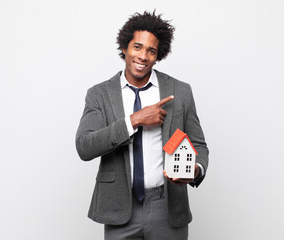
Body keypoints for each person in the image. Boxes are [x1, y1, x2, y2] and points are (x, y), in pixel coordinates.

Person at [75, 11, 209, 240]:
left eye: (151, 50)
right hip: (119, 207)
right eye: (137, 47)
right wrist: (134, 120)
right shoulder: (99, 94)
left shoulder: (180, 91)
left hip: (166, 205)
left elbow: (198, 145)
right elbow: (85, 146)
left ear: (159, 56)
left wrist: (194, 170)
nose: (143, 56)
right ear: (125, 48)